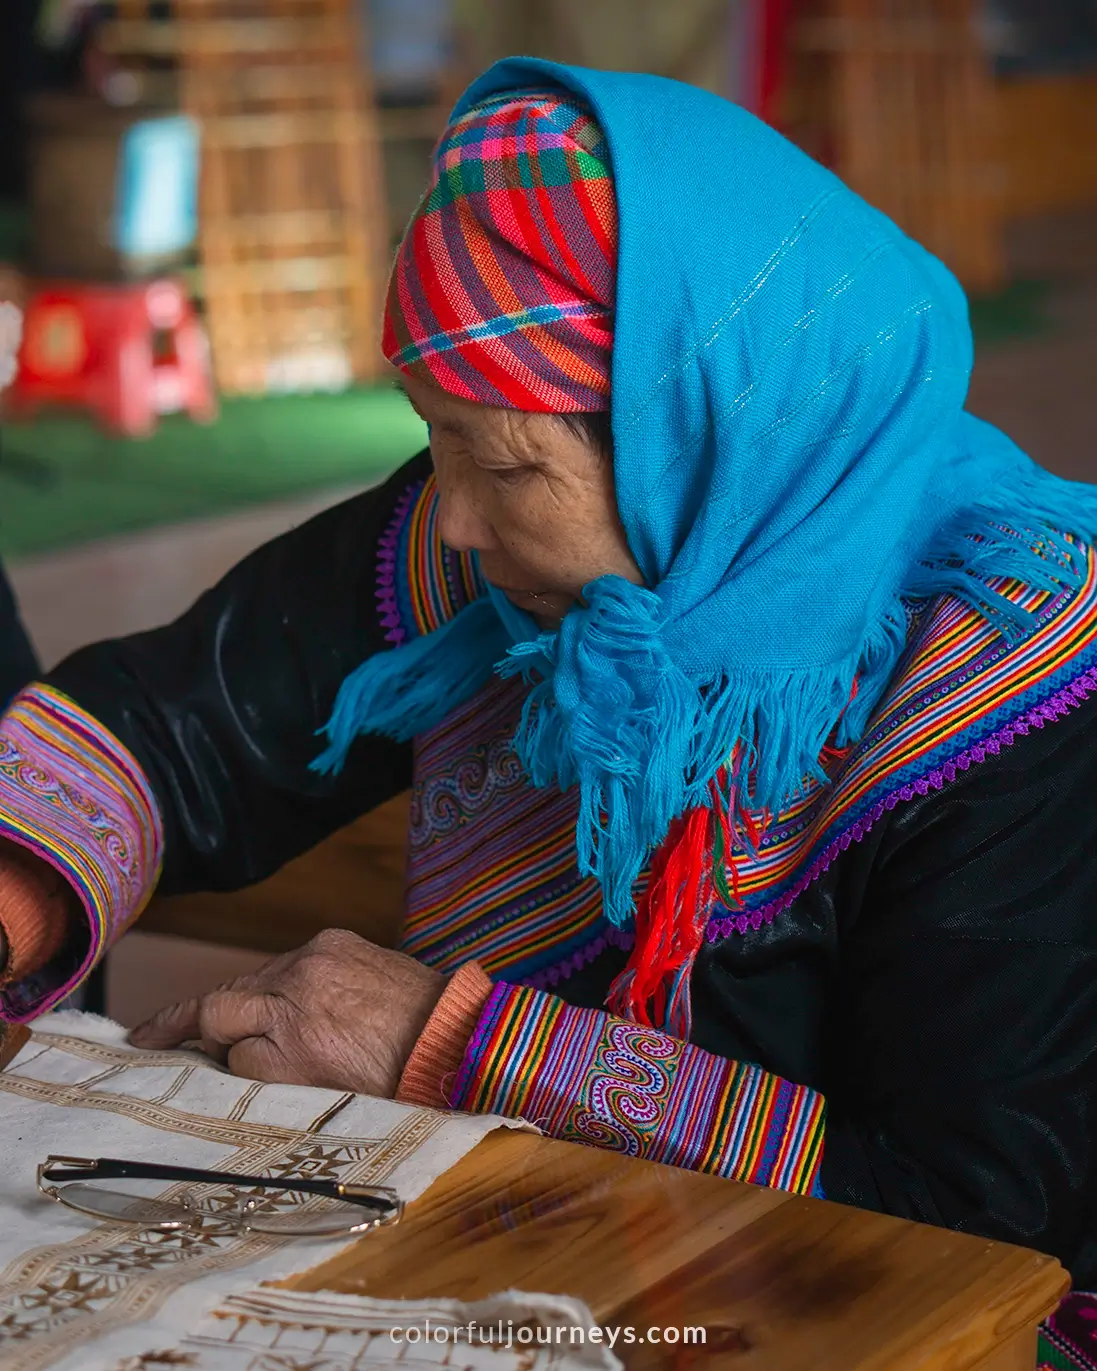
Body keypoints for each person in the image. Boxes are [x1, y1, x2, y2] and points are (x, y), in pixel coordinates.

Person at [0, 58, 1095, 1361]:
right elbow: (176, 721)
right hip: (560, 1245)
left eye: (507, 463)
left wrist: (459, 1041)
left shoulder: (1013, 664)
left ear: (689, 436)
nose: (453, 514)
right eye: (436, 437)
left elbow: (972, 1210)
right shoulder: (495, 542)